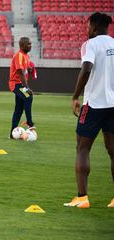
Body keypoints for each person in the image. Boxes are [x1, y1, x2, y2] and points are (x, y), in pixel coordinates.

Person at [64, 12, 114, 209]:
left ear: (93, 26)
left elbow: (86, 68)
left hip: (93, 105)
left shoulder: (90, 44)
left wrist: (76, 96)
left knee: (82, 149)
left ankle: (82, 197)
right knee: (113, 151)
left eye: (87, 26)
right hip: (113, 105)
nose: (86, 30)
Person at [8, 37, 35, 139]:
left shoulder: (26, 56)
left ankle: (12, 133)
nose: (30, 46)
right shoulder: (19, 55)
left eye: (31, 44)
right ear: (22, 46)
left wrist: (29, 69)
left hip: (20, 84)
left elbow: (24, 70)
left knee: (18, 109)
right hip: (16, 84)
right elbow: (20, 72)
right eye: (28, 44)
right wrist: (27, 88)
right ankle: (29, 122)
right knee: (29, 97)